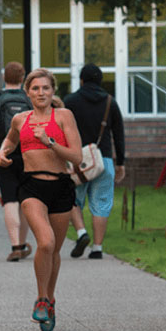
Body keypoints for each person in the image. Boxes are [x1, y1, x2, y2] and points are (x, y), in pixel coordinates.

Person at [0, 68, 82, 330]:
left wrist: (50, 142)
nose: (41, 92)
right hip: (32, 186)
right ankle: (41, 298)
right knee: (45, 242)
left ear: (53, 90)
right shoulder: (20, 119)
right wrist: (3, 152)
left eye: (46, 88)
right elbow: (9, 140)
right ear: (27, 92)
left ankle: (50, 299)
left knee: (55, 249)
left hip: (61, 187)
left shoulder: (64, 116)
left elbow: (77, 157)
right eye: (35, 88)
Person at [64, 63, 125, 259]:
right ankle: (97, 248)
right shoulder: (110, 102)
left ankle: (82, 232)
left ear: (81, 80)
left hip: (77, 161)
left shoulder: (70, 101)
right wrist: (120, 162)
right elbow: (119, 134)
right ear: (100, 81)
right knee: (102, 202)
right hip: (103, 160)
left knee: (70, 198)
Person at [0, 61, 32, 262]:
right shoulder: (28, 98)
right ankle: (22, 242)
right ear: (22, 78)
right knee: (25, 200)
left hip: (3, 154)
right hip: (27, 155)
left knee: (9, 199)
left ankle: (15, 245)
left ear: (4, 77)